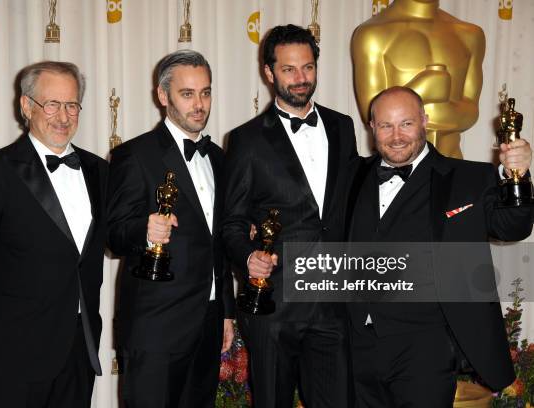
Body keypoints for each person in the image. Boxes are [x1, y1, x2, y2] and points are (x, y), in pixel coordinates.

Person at [345, 86, 533, 407]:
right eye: (386, 125)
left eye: (406, 123)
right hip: (357, 343)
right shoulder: (351, 175)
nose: (396, 136)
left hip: (426, 347)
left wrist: (516, 175)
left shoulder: (470, 177)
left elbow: (512, 226)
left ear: (424, 121)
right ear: (372, 127)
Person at [0, 61, 107, 408]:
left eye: (71, 105)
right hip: (14, 353)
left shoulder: (100, 171)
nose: (63, 116)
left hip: (79, 351)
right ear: (26, 106)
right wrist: (2, 322)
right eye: (51, 104)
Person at [222, 25, 357, 407]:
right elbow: (231, 223)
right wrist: (249, 257)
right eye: (289, 70)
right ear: (269, 73)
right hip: (274, 306)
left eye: (308, 68)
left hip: (334, 303)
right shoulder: (246, 140)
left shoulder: (343, 127)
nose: (301, 79)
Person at [107, 50, 235, 407]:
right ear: (163, 96)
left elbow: (218, 242)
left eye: (206, 92)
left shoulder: (220, 159)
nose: (199, 104)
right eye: (187, 93)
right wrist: (144, 231)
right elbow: (113, 235)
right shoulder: (134, 155)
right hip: (155, 326)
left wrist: (225, 311)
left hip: (208, 322)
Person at [351, 0, 485, 159]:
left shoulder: (470, 34)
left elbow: (471, 113)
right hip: (397, 165)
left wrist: (423, 108)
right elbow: (372, 114)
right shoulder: (372, 34)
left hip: (453, 164)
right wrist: (421, 89)